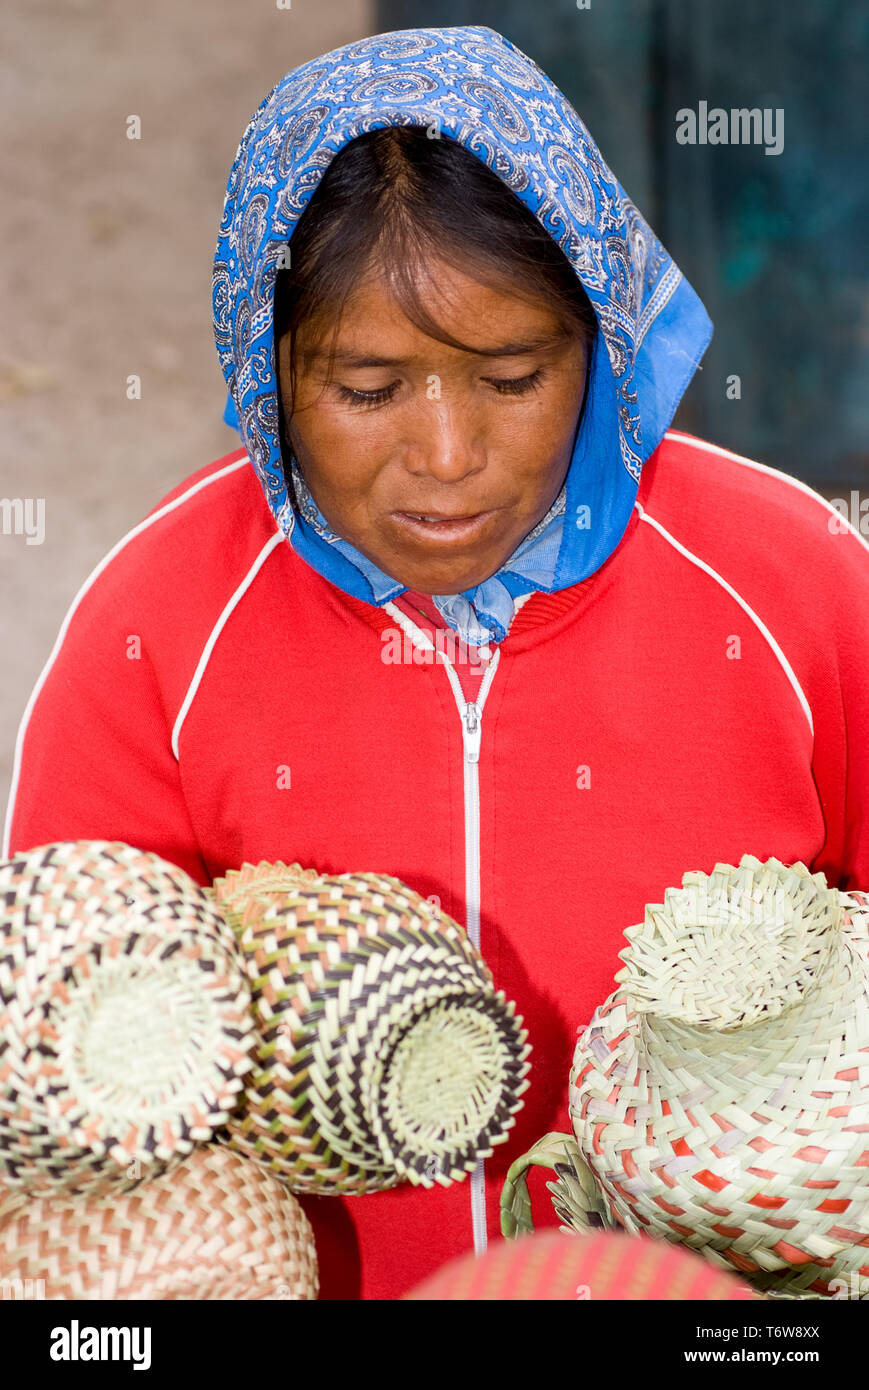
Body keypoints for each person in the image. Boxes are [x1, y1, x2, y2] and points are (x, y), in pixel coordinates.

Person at [4, 25, 868, 1300]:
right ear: (267, 370)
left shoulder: (789, 585)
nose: (448, 454)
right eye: (366, 388)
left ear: (601, 345)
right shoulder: (163, 622)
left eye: (511, 376)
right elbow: (52, 1050)